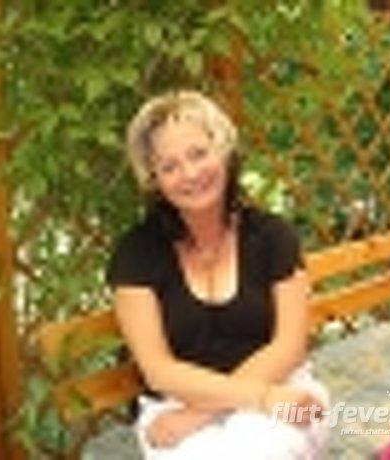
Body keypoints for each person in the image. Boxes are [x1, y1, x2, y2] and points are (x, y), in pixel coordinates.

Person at [105, 89, 331, 459]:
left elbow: (289, 346)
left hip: (282, 391)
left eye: (198, 154)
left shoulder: (273, 237)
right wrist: (237, 402)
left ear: (223, 151)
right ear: (154, 179)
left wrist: (203, 414)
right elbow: (158, 370)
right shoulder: (137, 254)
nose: (190, 174)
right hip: (173, 407)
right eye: (169, 166)